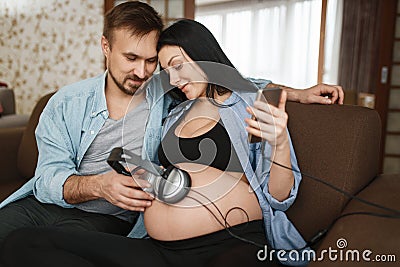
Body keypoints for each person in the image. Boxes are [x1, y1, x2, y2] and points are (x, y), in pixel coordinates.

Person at [0, 0, 343, 252]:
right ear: (106, 48)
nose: (142, 72)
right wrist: (101, 185)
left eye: (152, 63)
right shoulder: (70, 103)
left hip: (122, 221)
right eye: (131, 59)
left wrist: (295, 92)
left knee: (35, 250)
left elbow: (230, 81)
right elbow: (46, 178)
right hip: (53, 207)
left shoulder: (185, 98)